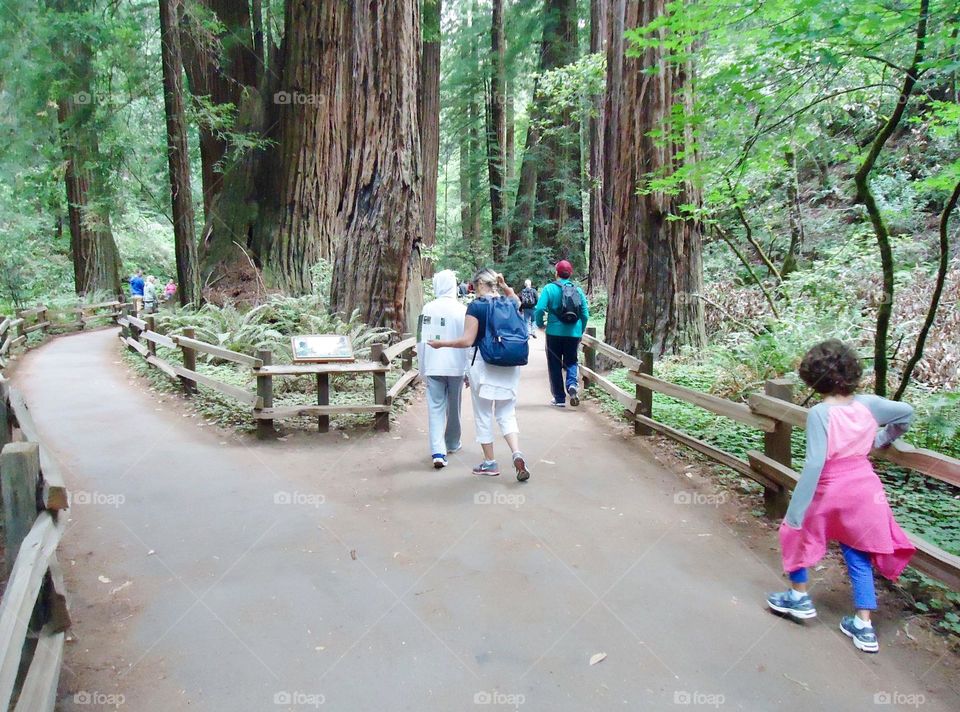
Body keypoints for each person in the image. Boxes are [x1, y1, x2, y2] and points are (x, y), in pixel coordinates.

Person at [766, 339, 915, 654]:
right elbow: (906, 413)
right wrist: (881, 438)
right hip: (864, 488)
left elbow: (815, 463)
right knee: (857, 551)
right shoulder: (870, 405)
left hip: (830, 487)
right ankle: (864, 626)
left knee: (796, 534)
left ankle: (799, 596)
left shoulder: (821, 413)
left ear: (814, 377)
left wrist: (796, 508)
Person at [428, 268, 531, 482]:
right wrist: (504, 286)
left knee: (483, 414)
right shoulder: (510, 302)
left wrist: (441, 344)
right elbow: (516, 300)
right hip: (511, 366)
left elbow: (467, 340)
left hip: (484, 365)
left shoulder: (477, 306)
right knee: (506, 413)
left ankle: (490, 463)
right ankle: (516, 453)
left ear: (479, 285)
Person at [416, 270, 469, 469]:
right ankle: (452, 443)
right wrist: (468, 371)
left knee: (435, 407)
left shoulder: (428, 308)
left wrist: (422, 368)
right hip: (456, 366)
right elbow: (468, 342)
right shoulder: (462, 310)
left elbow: (421, 341)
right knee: (454, 407)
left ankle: (438, 451)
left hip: (434, 366)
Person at [534, 260, 589, 408]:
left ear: (556, 273)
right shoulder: (577, 290)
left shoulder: (549, 288)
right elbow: (584, 314)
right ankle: (572, 385)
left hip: (554, 333)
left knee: (554, 364)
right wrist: (580, 330)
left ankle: (559, 398)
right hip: (573, 333)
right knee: (571, 360)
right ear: (570, 274)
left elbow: (539, 309)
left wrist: (540, 324)